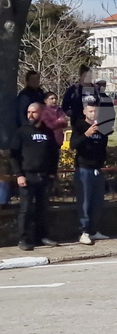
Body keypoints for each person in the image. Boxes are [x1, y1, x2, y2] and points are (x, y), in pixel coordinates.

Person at [10, 103, 60, 250]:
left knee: (42, 209)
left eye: (34, 112)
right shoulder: (21, 132)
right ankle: (24, 240)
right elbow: (14, 156)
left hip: (44, 177)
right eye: (28, 112)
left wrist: (52, 173)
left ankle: (41, 237)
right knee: (25, 209)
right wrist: (19, 175)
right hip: (27, 177)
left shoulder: (48, 132)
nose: (30, 115)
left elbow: (53, 155)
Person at [71, 103, 110, 245]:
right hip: (83, 169)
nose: (93, 114)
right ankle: (84, 231)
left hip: (97, 169)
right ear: (85, 112)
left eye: (95, 111)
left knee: (97, 201)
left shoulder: (101, 129)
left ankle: (94, 230)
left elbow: (103, 147)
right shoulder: (79, 127)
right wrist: (86, 135)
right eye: (91, 111)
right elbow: (73, 145)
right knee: (85, 201)